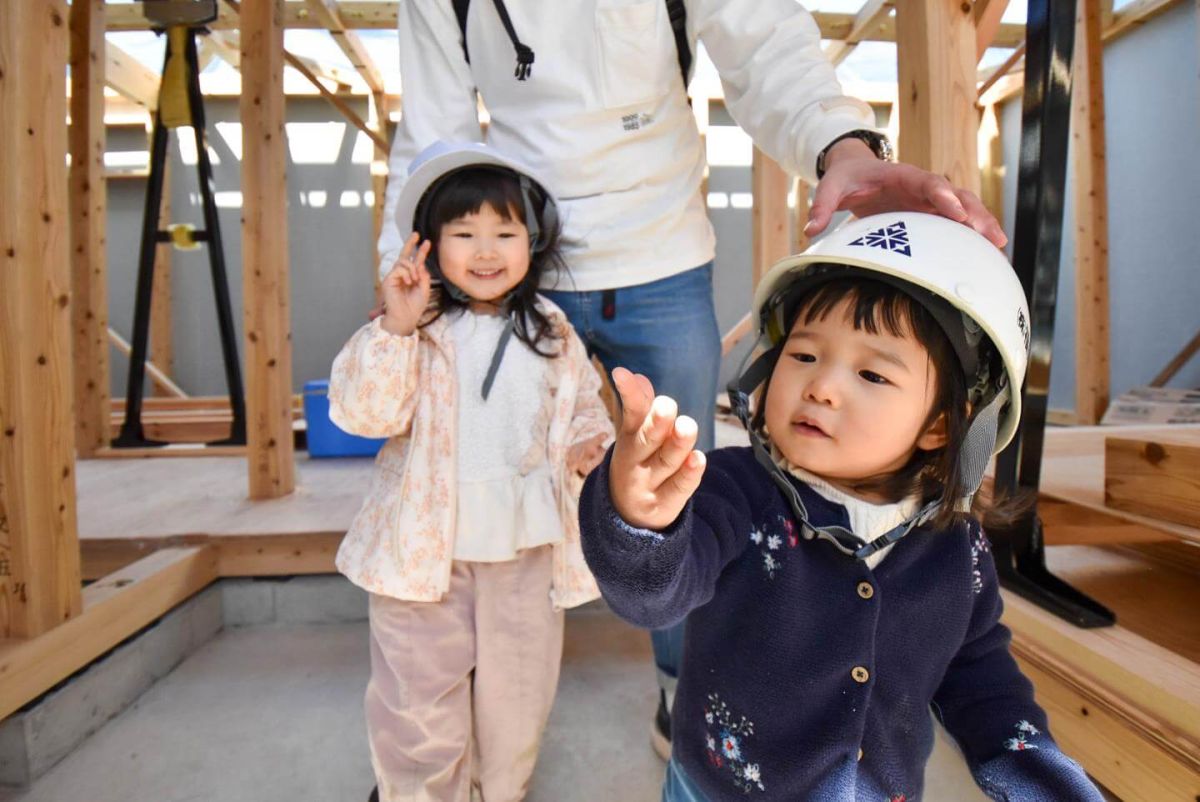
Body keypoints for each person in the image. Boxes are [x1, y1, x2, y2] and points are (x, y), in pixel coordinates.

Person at [379, 0, 1009, 756]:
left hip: (661, 252)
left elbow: (763, 39)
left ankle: (685, 684)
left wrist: (842, 146)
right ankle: (476, 708)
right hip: (517, 262)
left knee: (682, 485)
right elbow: (435, 132)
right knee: (489, 476)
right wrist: (406, 280)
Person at [577, 212, 1105, 801]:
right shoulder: (735, 492)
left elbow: (980, 679)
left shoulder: (955, 547)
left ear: (942, 425)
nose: (821, 386)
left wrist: (1043, 781)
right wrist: (641, 521)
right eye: (803, 355)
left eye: (872, 373)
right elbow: (651, 597)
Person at [332, 141, 614, 802]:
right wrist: (396, 330)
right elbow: (362, 414)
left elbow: (580, 409)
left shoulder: (551, 328)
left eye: (505, 232)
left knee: (516, 697)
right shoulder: (413, 327)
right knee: (415, 696)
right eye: (464, 233)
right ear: (427, 246)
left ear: (532, 241)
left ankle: (501, 791)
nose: (486, 250)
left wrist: (589, 446)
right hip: (423, 557)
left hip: (524, 550)